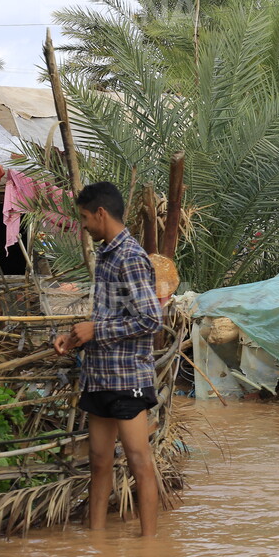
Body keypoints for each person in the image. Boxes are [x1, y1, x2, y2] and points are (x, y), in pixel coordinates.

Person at [53, 182, 163, 537]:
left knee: (139, 462)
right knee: (99, 462)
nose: (83, 224)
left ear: (100, 213)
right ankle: (96, 542)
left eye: (84, 217)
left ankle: (149, 547)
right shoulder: (106, 254)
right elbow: (109, 315)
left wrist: (96, 330)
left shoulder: (130, 256)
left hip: (127, 379)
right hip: (100, 377)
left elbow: (150, 320)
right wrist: (74, 338)